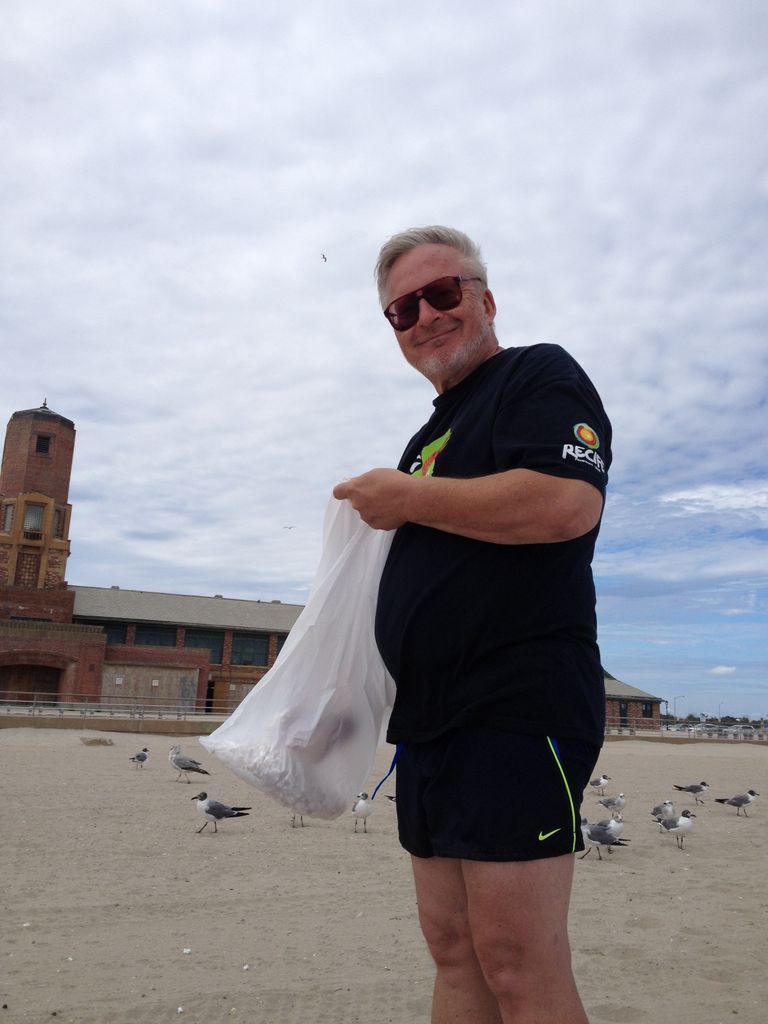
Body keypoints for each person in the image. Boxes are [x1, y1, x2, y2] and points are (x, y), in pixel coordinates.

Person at [333, 225, 611, 1023]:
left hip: (516, 705)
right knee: (454, 950)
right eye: (401, 310)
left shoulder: (537, 375)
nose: (424, 315)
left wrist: (409, 499)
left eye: (442, 293)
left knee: (517, 961)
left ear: (485, 300)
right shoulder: (428, 438)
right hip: (427, 721)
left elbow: (566, 503)